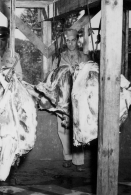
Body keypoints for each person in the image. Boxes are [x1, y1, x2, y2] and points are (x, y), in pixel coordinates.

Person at [52, 28, 89, 172]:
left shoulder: (84, 57)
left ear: (77, 40)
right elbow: (53, 77)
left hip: (80, 98)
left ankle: (79, 161)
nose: (71, 43)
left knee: (79, 128)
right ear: (65, 41)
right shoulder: (59, 57)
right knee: (63, 128)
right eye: (68, 40)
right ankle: (67, 157)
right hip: (63, 97)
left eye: (73, 40)